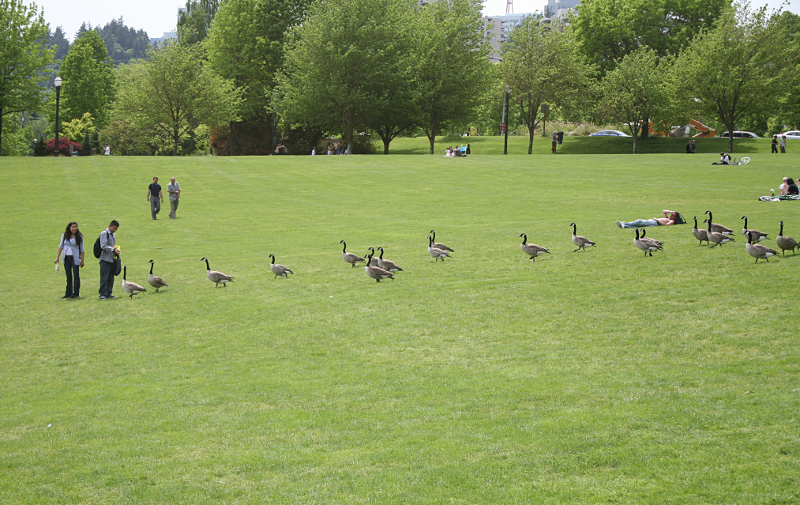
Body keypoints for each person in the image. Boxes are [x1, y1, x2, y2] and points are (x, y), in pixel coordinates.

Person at [55, 221, 84, 298]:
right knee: (68, 275)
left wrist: (82, 261)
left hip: (75, 258)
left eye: (75, 227)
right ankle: (68, 293)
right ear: (69, 227)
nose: (74, 228)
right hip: (66, 258)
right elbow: (61, 246)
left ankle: (76, 293)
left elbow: (82, 249)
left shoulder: (79, 237)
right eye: (73, 227)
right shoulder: (64, 235)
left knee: (76, 275)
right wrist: (57, 257)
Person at [98, 220, 119, 300]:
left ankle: (109, 293)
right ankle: (102, 294)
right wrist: (113, 249)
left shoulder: (113, 235)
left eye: (116, 229)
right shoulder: (104, 233)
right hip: (104, 259)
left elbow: (112, 246)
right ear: (110, 226)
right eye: (114, 228)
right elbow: (103, 246)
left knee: (111, 278)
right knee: (104, 277)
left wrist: (116, 250)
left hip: (111, 259)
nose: (115, 230)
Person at [617, 210, 682, 229]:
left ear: (676, 218)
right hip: (653, 221)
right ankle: (624, 226)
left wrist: (657, 220)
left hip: (655, 223)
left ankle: (624, 224)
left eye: (672, 215)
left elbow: (666, 225)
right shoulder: (667, 218)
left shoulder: (672, 221)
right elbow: (663, 211)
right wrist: (671, 211)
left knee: (639, 221)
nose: (671, 215)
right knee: (639, 224)